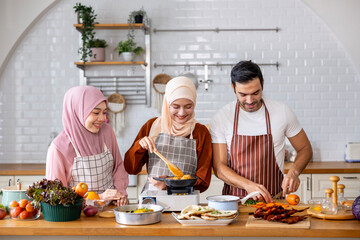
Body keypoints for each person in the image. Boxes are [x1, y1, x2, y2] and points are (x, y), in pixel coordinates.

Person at [210, 60, 312, 203]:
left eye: (255, 93)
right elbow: (219, 168)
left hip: (274, 202)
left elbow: (305, 148)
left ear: (262, 83)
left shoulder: (281, 112)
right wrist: (248, 186)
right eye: (243, 94)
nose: (250, 100)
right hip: (235, 204)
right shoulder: (223, 117)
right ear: (233, 87)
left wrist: (294, 172)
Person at [124, 76, 212, 192]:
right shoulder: (151, 126)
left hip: (185, 202)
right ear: (167, 104)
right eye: (175, 106)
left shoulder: (200, 132)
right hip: (152, 201)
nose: (182, 112)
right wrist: (139, 146)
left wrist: (171, 185)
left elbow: (203, 180)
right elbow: (131, 169)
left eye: (188, 107)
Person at [46, 86, 129, 206]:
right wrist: (100, 198)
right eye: (96, 112)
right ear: (78, 111)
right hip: (79, 217)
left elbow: (118, 167)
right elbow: (57, 197)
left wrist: (120, 194)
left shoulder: (107, 132)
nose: (102, 118)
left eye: (104, 112)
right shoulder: (59, 148)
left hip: (110, 211)